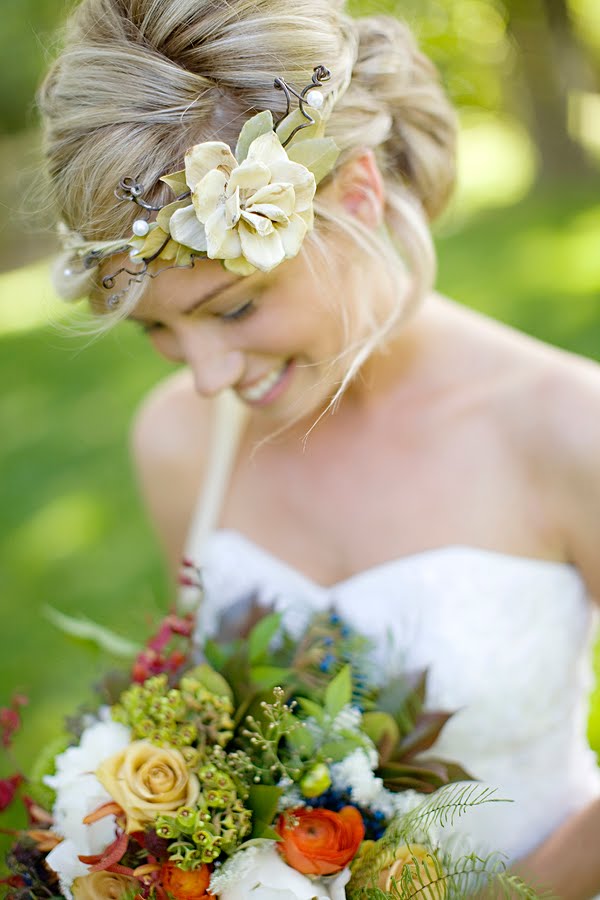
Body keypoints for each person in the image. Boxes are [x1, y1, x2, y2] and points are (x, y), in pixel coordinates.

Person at [38, 0, 600, 896]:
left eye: (234, 307)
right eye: (157, 329)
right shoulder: (179, 437)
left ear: (361, 196)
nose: (208, 374)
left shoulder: (573, 428)